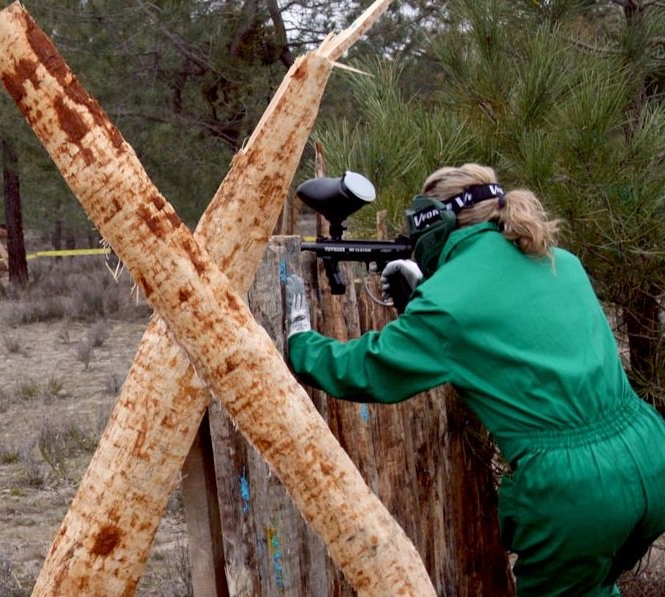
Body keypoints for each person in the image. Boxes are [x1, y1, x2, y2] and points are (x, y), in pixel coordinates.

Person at [284, 163, 665, 596]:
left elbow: (372, 368)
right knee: (594, 587)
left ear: (434, 222)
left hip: (576, 494)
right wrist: (426, 294)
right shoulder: (560, 261)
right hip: (652, 456)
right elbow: (514, 335)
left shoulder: (448, 302)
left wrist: (301, 343)